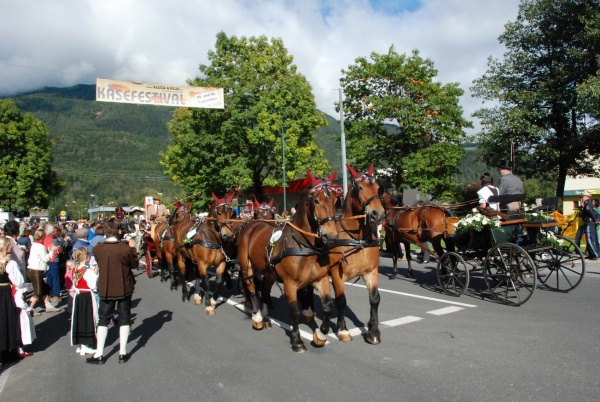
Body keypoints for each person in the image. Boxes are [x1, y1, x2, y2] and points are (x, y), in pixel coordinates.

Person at [87, 218, 138, 364]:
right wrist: (133, 249)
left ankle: (99, 354)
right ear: (119, 231)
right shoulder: (125, 248)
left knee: (103, 320)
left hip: (106, 288)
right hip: (124, 287)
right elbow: (134, 264)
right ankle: (122, 352)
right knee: (124, 319)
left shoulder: (97, 248)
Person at [0, 236, 25, 363]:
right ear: (6, 247)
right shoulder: (10, 263)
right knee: (6, 319)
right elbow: (19, 282)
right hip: (5, 293)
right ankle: (7, 350)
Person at [70, 247, 98, 356]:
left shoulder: (75, 269)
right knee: (87, 319)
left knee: (79, 319)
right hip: (86, 297)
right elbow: (93, 285)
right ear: (86, 257)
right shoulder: (87, 271)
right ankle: (86, 345)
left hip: (78, 296)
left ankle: (80, 345)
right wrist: (95, 274)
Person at [27, 228, 61, 314]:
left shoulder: (34, 245)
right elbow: (46, 259)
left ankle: (48, 306)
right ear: (43, 237)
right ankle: (28, 309)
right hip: (36, 271)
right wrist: (52, 251)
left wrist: (49, 250)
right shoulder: (40, 247)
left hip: (32, 270)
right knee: (38, 291)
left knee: (44, 289)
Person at [579, 192, 599, 260]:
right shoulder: (587, 204)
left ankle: (594, 254)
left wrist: (595, 219)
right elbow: (581, 214)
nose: (582, 198)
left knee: (590, 239)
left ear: (587, 197)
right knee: (589, 239)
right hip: (589, 223)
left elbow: (590, 212)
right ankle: (591, 254)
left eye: (583, 197)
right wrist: (582, 207)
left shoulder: (588, 204)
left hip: (589, 223)